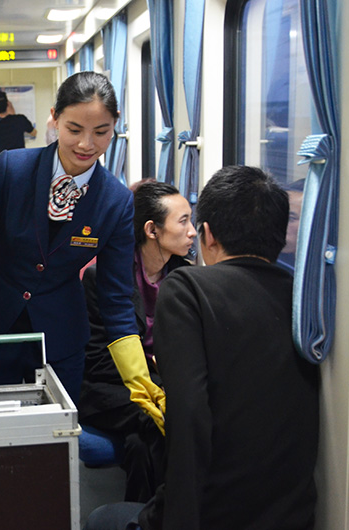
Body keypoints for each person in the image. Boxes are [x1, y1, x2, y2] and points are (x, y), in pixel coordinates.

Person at [85, 165, 320, 530]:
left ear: (209, 234)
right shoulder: (302, 299)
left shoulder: (188, 286)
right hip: (293, 513)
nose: (192, 232)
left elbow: (190, 417)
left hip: (214, 510)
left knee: (102, 518)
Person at [0, 72, 165, 426]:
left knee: (53, 449)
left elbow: (116, 298)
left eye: (101, 132)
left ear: (115, 127)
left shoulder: (116, 202)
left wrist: (139, 377)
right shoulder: (12, 170)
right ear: (55, 118)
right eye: (74, 129)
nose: (87, 144)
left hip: (60, 344)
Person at [80, 180, 195, 503]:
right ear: (152, 229)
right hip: (109, 390)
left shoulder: (187, 279)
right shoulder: (102, 278)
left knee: (141, 442)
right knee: (159, 418)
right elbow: (99, 361)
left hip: (162, 384)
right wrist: (154, 370)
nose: (193, 232)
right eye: (183, 221)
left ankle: (142, 518)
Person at [0, 81, 36, 162]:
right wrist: (13, 115)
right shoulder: (20, 120)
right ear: (8, 104)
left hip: (0, 170)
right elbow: (34, 133)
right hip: (19, 166)